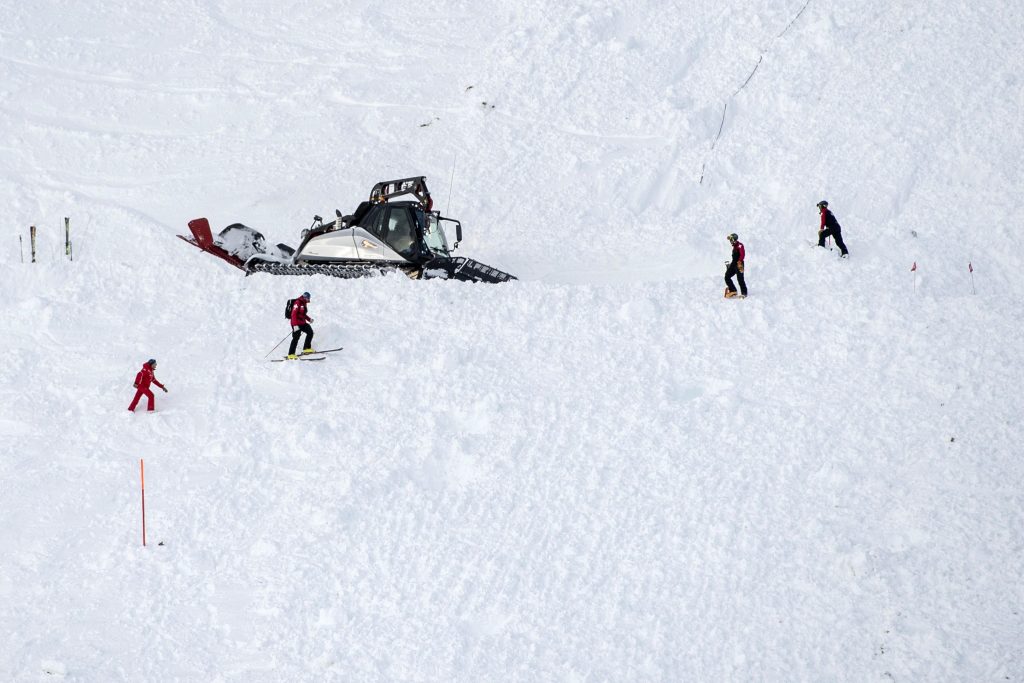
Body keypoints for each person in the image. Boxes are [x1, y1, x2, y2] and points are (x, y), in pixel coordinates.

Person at [287, 291, 315, 359]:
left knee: (310, 332)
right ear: (305, 297)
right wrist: (295, 325)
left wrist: (309, 319)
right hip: (296, 323)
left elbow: (303, 314)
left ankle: (306, 348)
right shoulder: (298, 303)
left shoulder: (304, 303)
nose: (309, 300)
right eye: (308, 298)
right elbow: (293, 314)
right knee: (296, 337)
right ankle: (291, 354)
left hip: (302, 323)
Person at [724, 233, 747, 298]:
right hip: (733, 264)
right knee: (727, 276)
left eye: (731, 240)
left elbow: (742, 254)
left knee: (740, 279)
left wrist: (739, 262)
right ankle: (733, 290)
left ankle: (744, 293)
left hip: (739, 264)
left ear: (734, 240)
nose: (730, 242)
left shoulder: (740, 245)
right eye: (730, 240)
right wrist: (729, 267)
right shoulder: (734, 247)